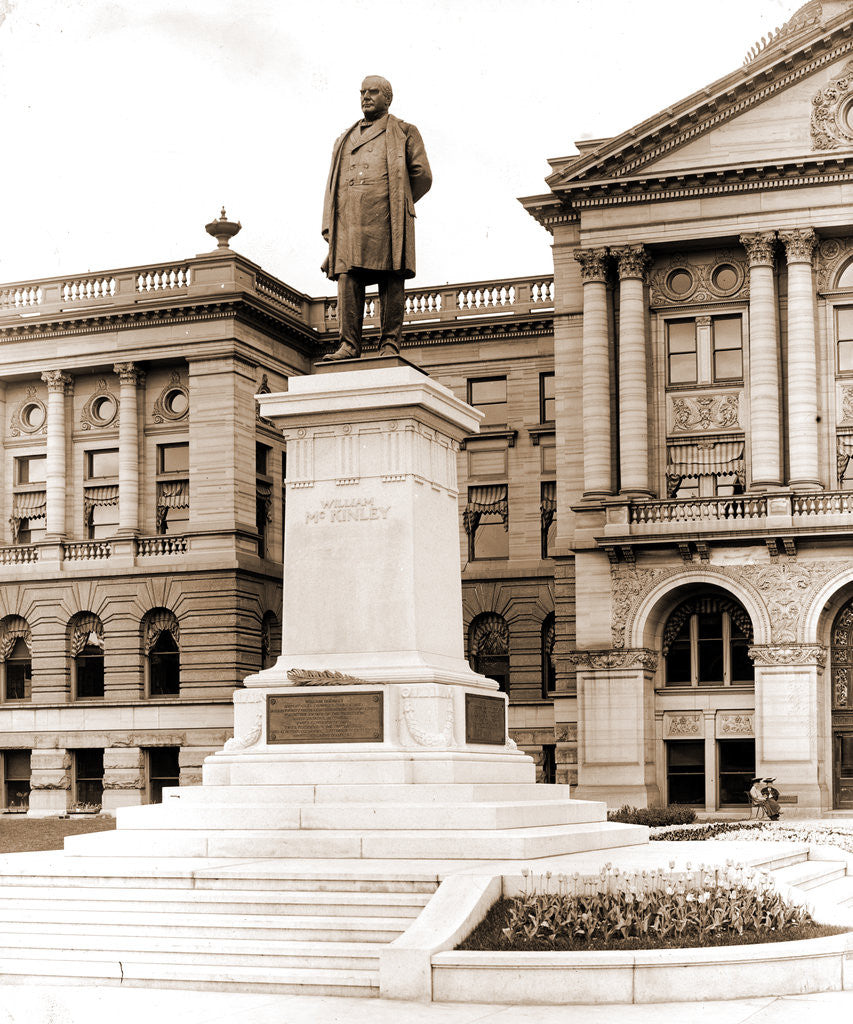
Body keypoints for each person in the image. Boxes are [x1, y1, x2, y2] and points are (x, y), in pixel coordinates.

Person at [320, 75, 432, 361]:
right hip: (349, 222)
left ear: (387, 98)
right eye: (362, 92)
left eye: (372, 92)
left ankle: (390, 343)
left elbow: (422, 175)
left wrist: (397, 201)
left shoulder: (405, 131)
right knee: (348, 278)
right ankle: (348, 345)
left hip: (387, 217)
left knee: (391, 277)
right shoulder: (344, 138)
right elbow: (333, 185)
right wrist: (331, 228)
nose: (365, 97)